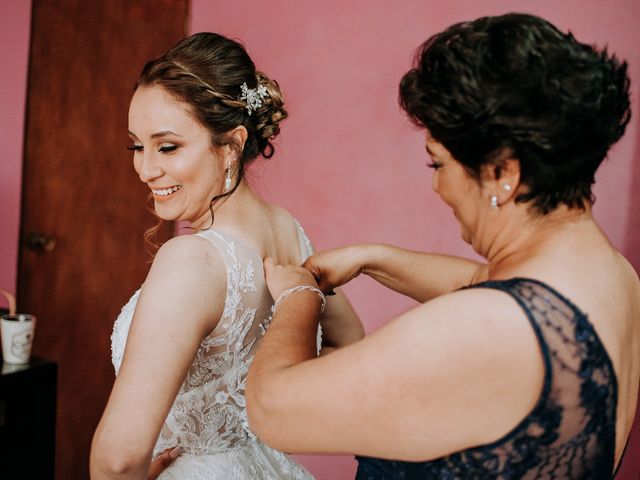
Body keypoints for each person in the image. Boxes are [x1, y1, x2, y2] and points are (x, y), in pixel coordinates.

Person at [246, 13, 639, 479]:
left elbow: (274, 410)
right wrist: (374, 258)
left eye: (438, 164)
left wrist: (297, 296)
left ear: (503, 173)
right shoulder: (611, 275)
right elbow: (486, 283)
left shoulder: (489, 329)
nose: (438, 188)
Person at [90, 32, 363, 479]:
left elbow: (118, 460)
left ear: (232, 145)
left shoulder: (190, 261)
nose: (144, 168)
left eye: (168, 146)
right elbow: (348, 343)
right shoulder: (287, 230)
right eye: (136, 145)